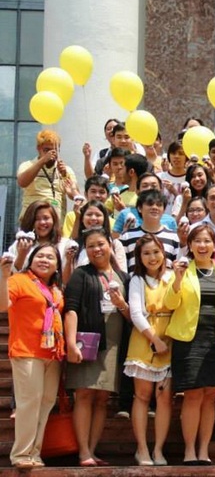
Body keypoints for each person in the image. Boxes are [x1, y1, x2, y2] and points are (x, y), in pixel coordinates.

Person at [165, 225, 215, 465]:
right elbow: (170, 302)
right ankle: (189, 451)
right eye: (197, 241)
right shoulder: (181, 271)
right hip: (189, 340)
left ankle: (203, 450)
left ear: (214, 246)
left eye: (207, 241)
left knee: (210, 396)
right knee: (192, 395)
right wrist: (177, 280)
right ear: (189, 245)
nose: (202, 246)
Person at [64, 228, 130, 466]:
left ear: (110, 246)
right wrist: (71, 343)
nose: (96, 249)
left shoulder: (124, 277)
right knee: (83, 394)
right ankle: (83, 452)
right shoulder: (81, 274)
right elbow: (70, 308)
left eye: (100, 244)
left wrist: (121, 304)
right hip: (87, 343)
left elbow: (133, 316)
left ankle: (92, 450)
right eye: (90, 246)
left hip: (114, 344)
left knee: (102, 398)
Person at [0, 244, 64, 468]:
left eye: (50, 257)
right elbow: (2, 305)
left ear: (57, 265)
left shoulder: (56, 289)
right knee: (29, 402)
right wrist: (4, 276)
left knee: (46, 403)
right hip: (27, 350)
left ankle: (35, 452)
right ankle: (21, 454)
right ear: (31, 259)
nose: (44, 260)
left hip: (52, 353)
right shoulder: (19, 281)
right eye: (40, 256)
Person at [123, 235, 173, 466]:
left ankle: (159, 449)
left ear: (163, 252)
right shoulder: (137, 281)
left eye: (155, 252)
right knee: (142, 396)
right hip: (144, 340)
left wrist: (166, 340)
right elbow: (135, 313)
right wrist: (154, 339)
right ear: (139, 258)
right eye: (146, 253)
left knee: (164, 398)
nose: (152, 257)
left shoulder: (173, 277)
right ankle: (142, 449)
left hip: (170, 339)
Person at [17, 129, 78, 223]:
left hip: (56, 222)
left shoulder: (65, 169)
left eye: (54, 150)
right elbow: (22, 182)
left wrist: (65, 175)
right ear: (38, 149)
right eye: (46, 150)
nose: (51, 154)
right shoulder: (27, 165)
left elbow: (74, 195)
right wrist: (42, 161)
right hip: (31, 222)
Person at [8, 200, 67, 274]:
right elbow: (9, 276)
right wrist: (21, 255)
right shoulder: (19, 244)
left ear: (54, 220)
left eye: (46, 218)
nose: (42, 222)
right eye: (37, 219)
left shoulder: (65, 245)